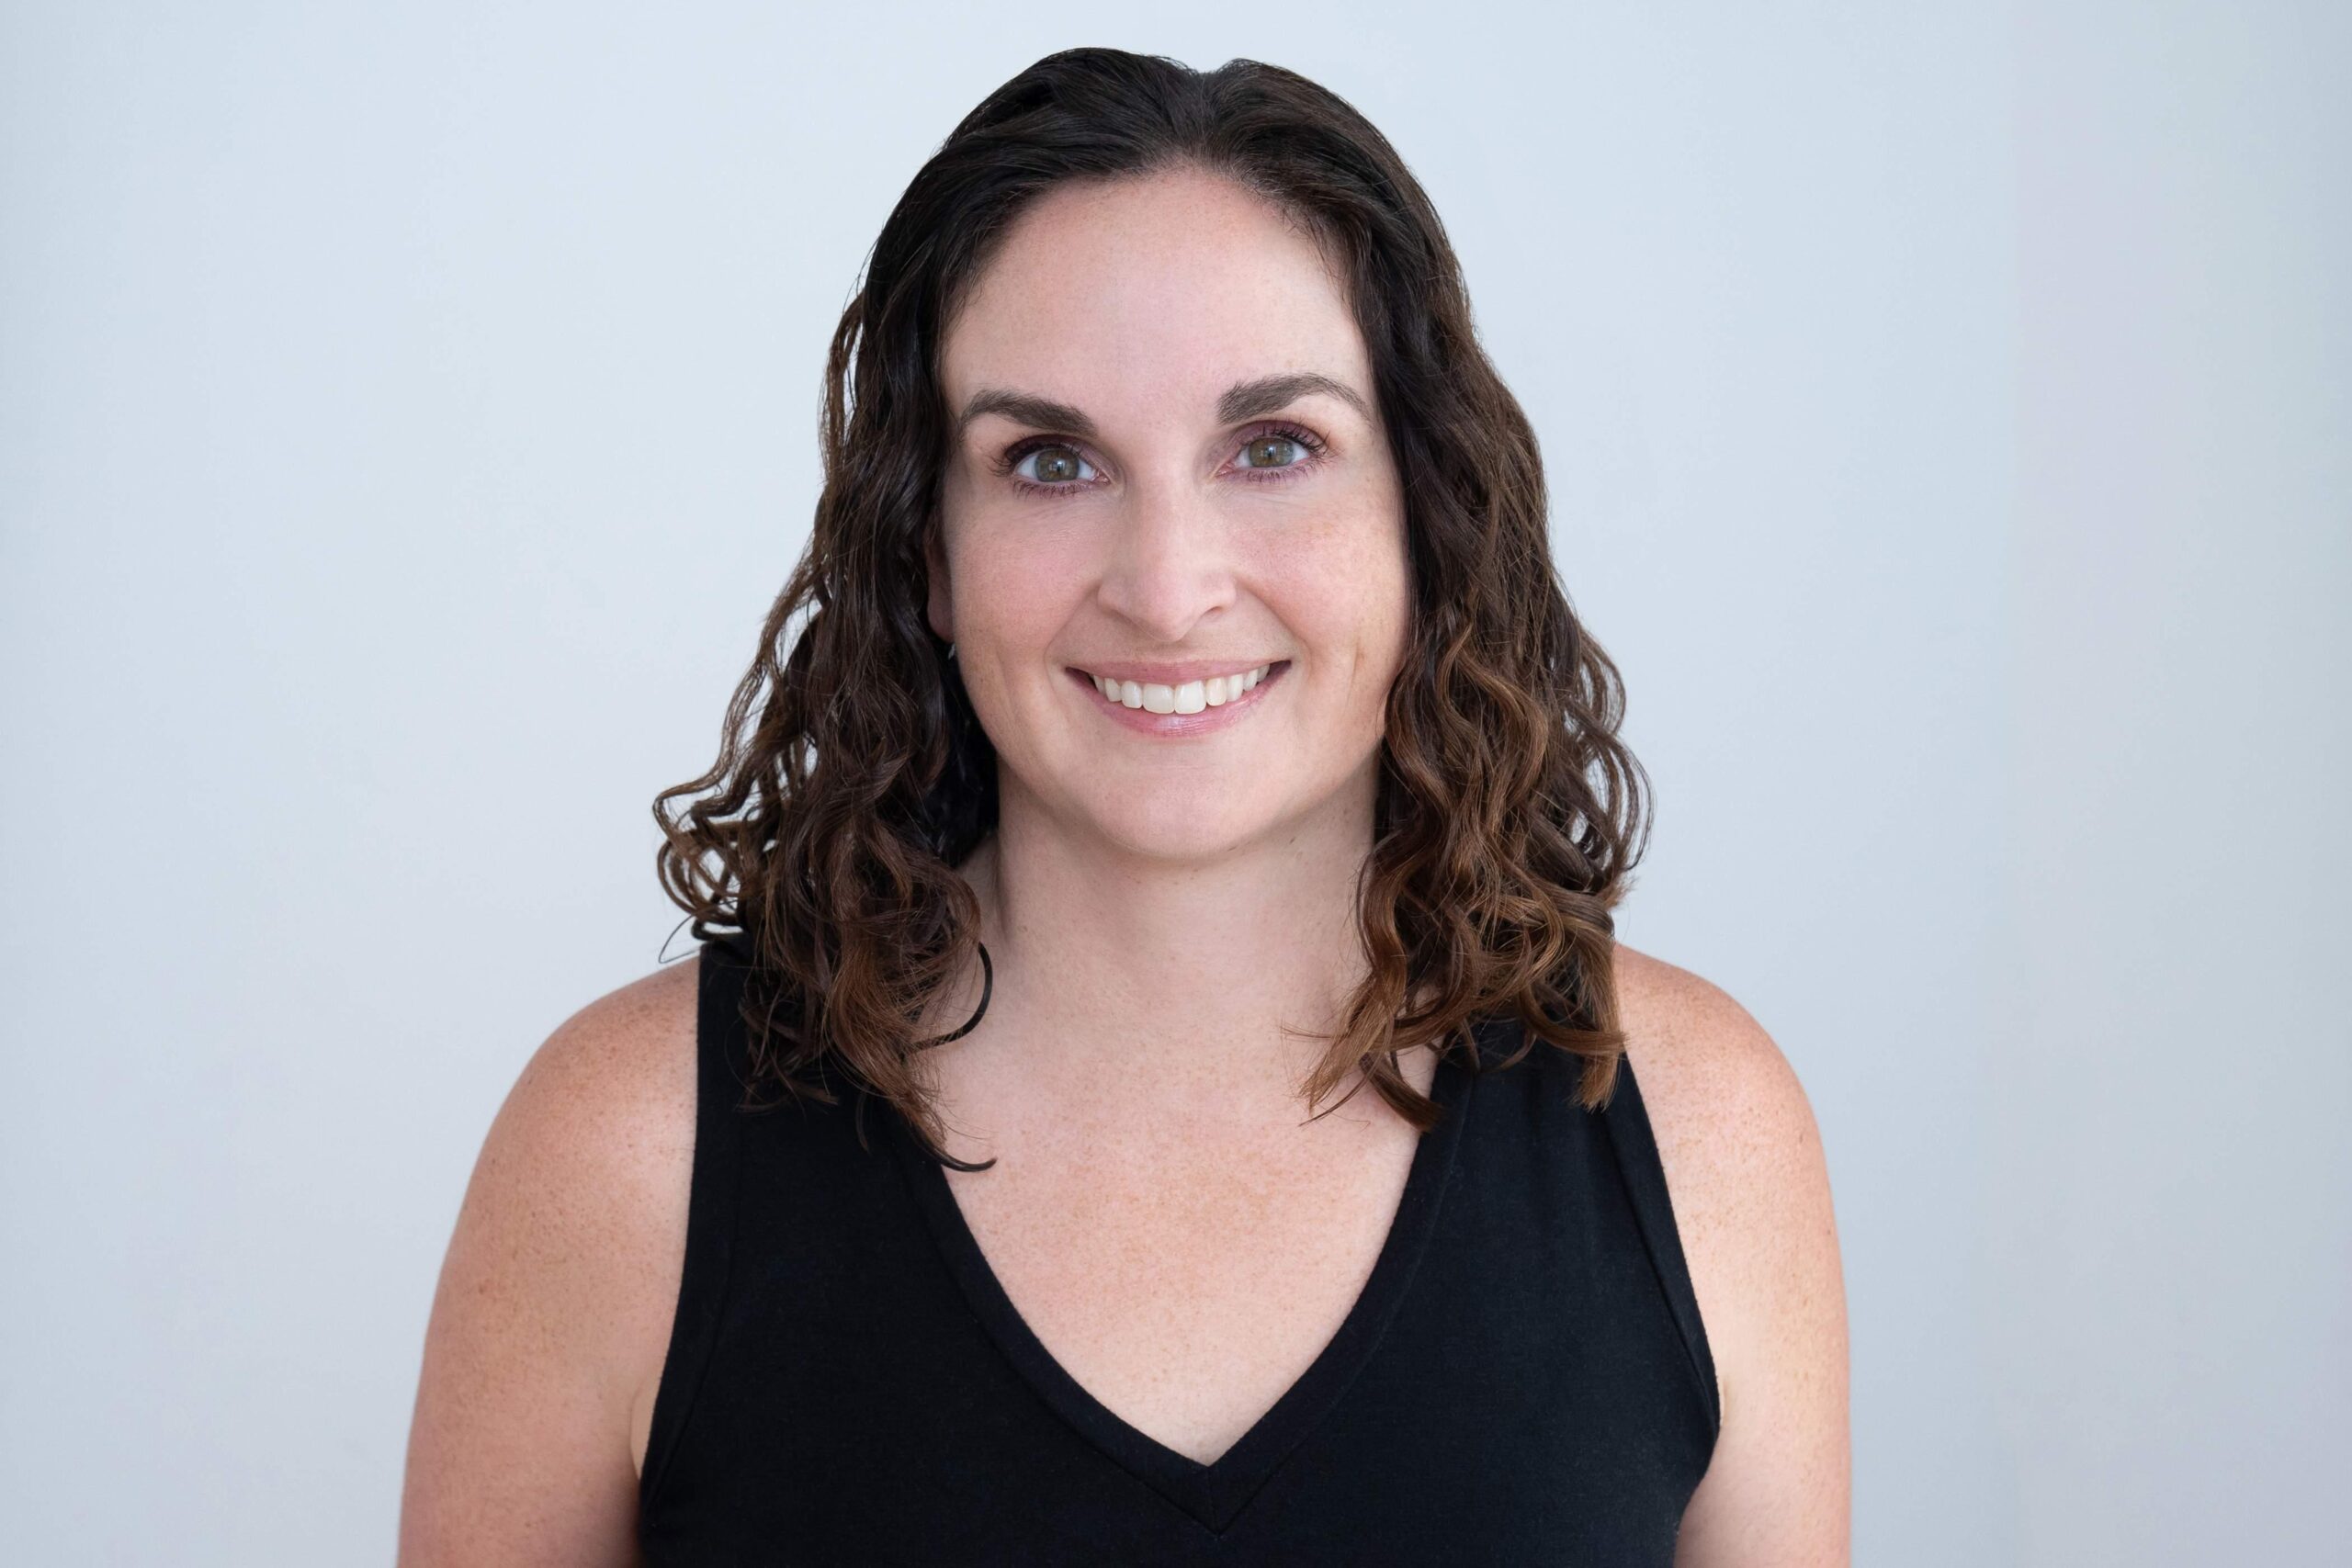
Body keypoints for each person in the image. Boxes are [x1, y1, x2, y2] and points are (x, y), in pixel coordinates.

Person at [399, 47, 1849, 1566]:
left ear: (1427, 517)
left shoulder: (1697, 1132)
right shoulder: (628, 1153)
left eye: (1275, 447)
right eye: (1050, 460)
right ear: (926, 555)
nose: (1166, 589)